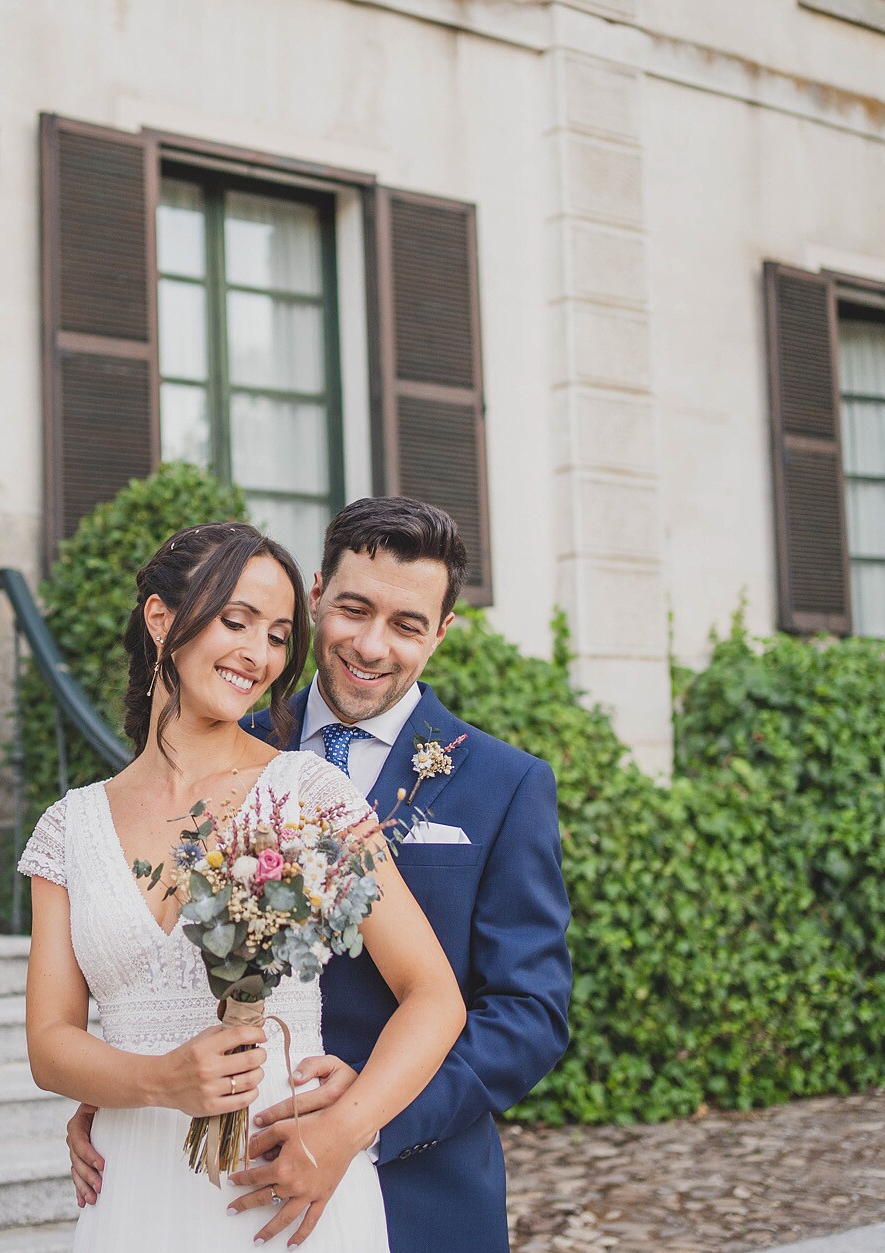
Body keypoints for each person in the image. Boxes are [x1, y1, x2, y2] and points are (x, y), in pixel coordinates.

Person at [66, 498, 572, 1253]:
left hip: (423, 1188)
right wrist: (121, 1089)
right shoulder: (222, 736)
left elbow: (529, 1012)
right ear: (313, 598)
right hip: (214, 1181)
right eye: (353, 609)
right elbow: (153, 943)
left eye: (406, 624)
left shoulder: (505, 783)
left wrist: (360, 1123)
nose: (371, 644)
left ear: (440, 633)